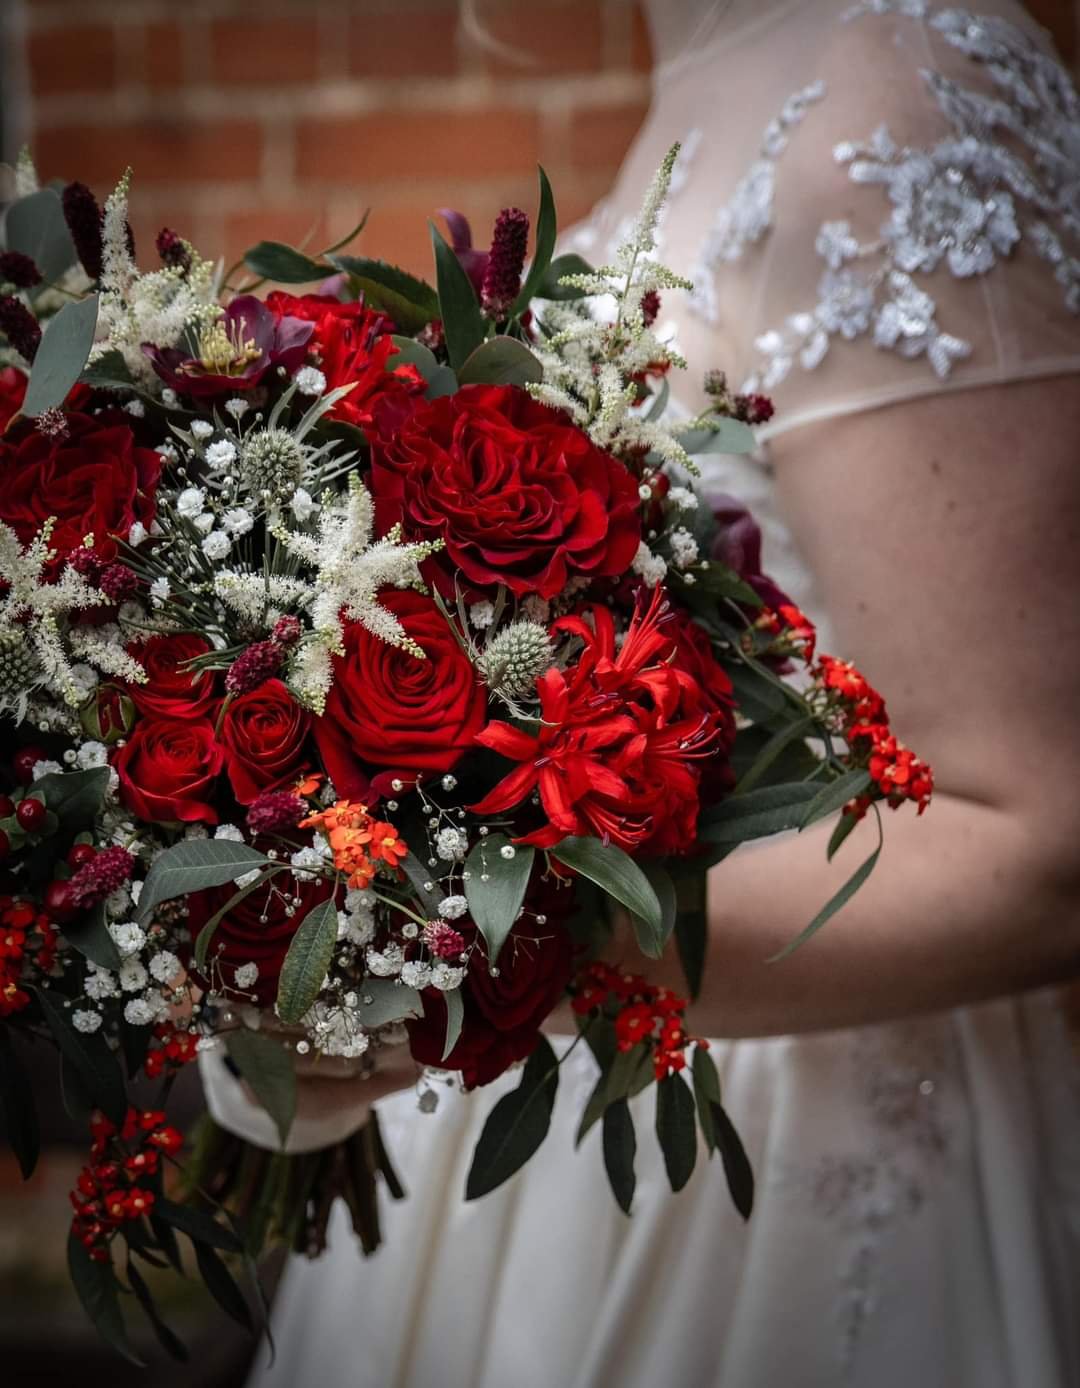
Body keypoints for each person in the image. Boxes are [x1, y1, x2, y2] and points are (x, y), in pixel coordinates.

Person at [202, 2, 1080, 1383]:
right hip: (545, 1171)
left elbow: (1043, 839)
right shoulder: (704, 92)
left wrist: (476, 956)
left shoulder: (894, 93)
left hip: (790, 1178)